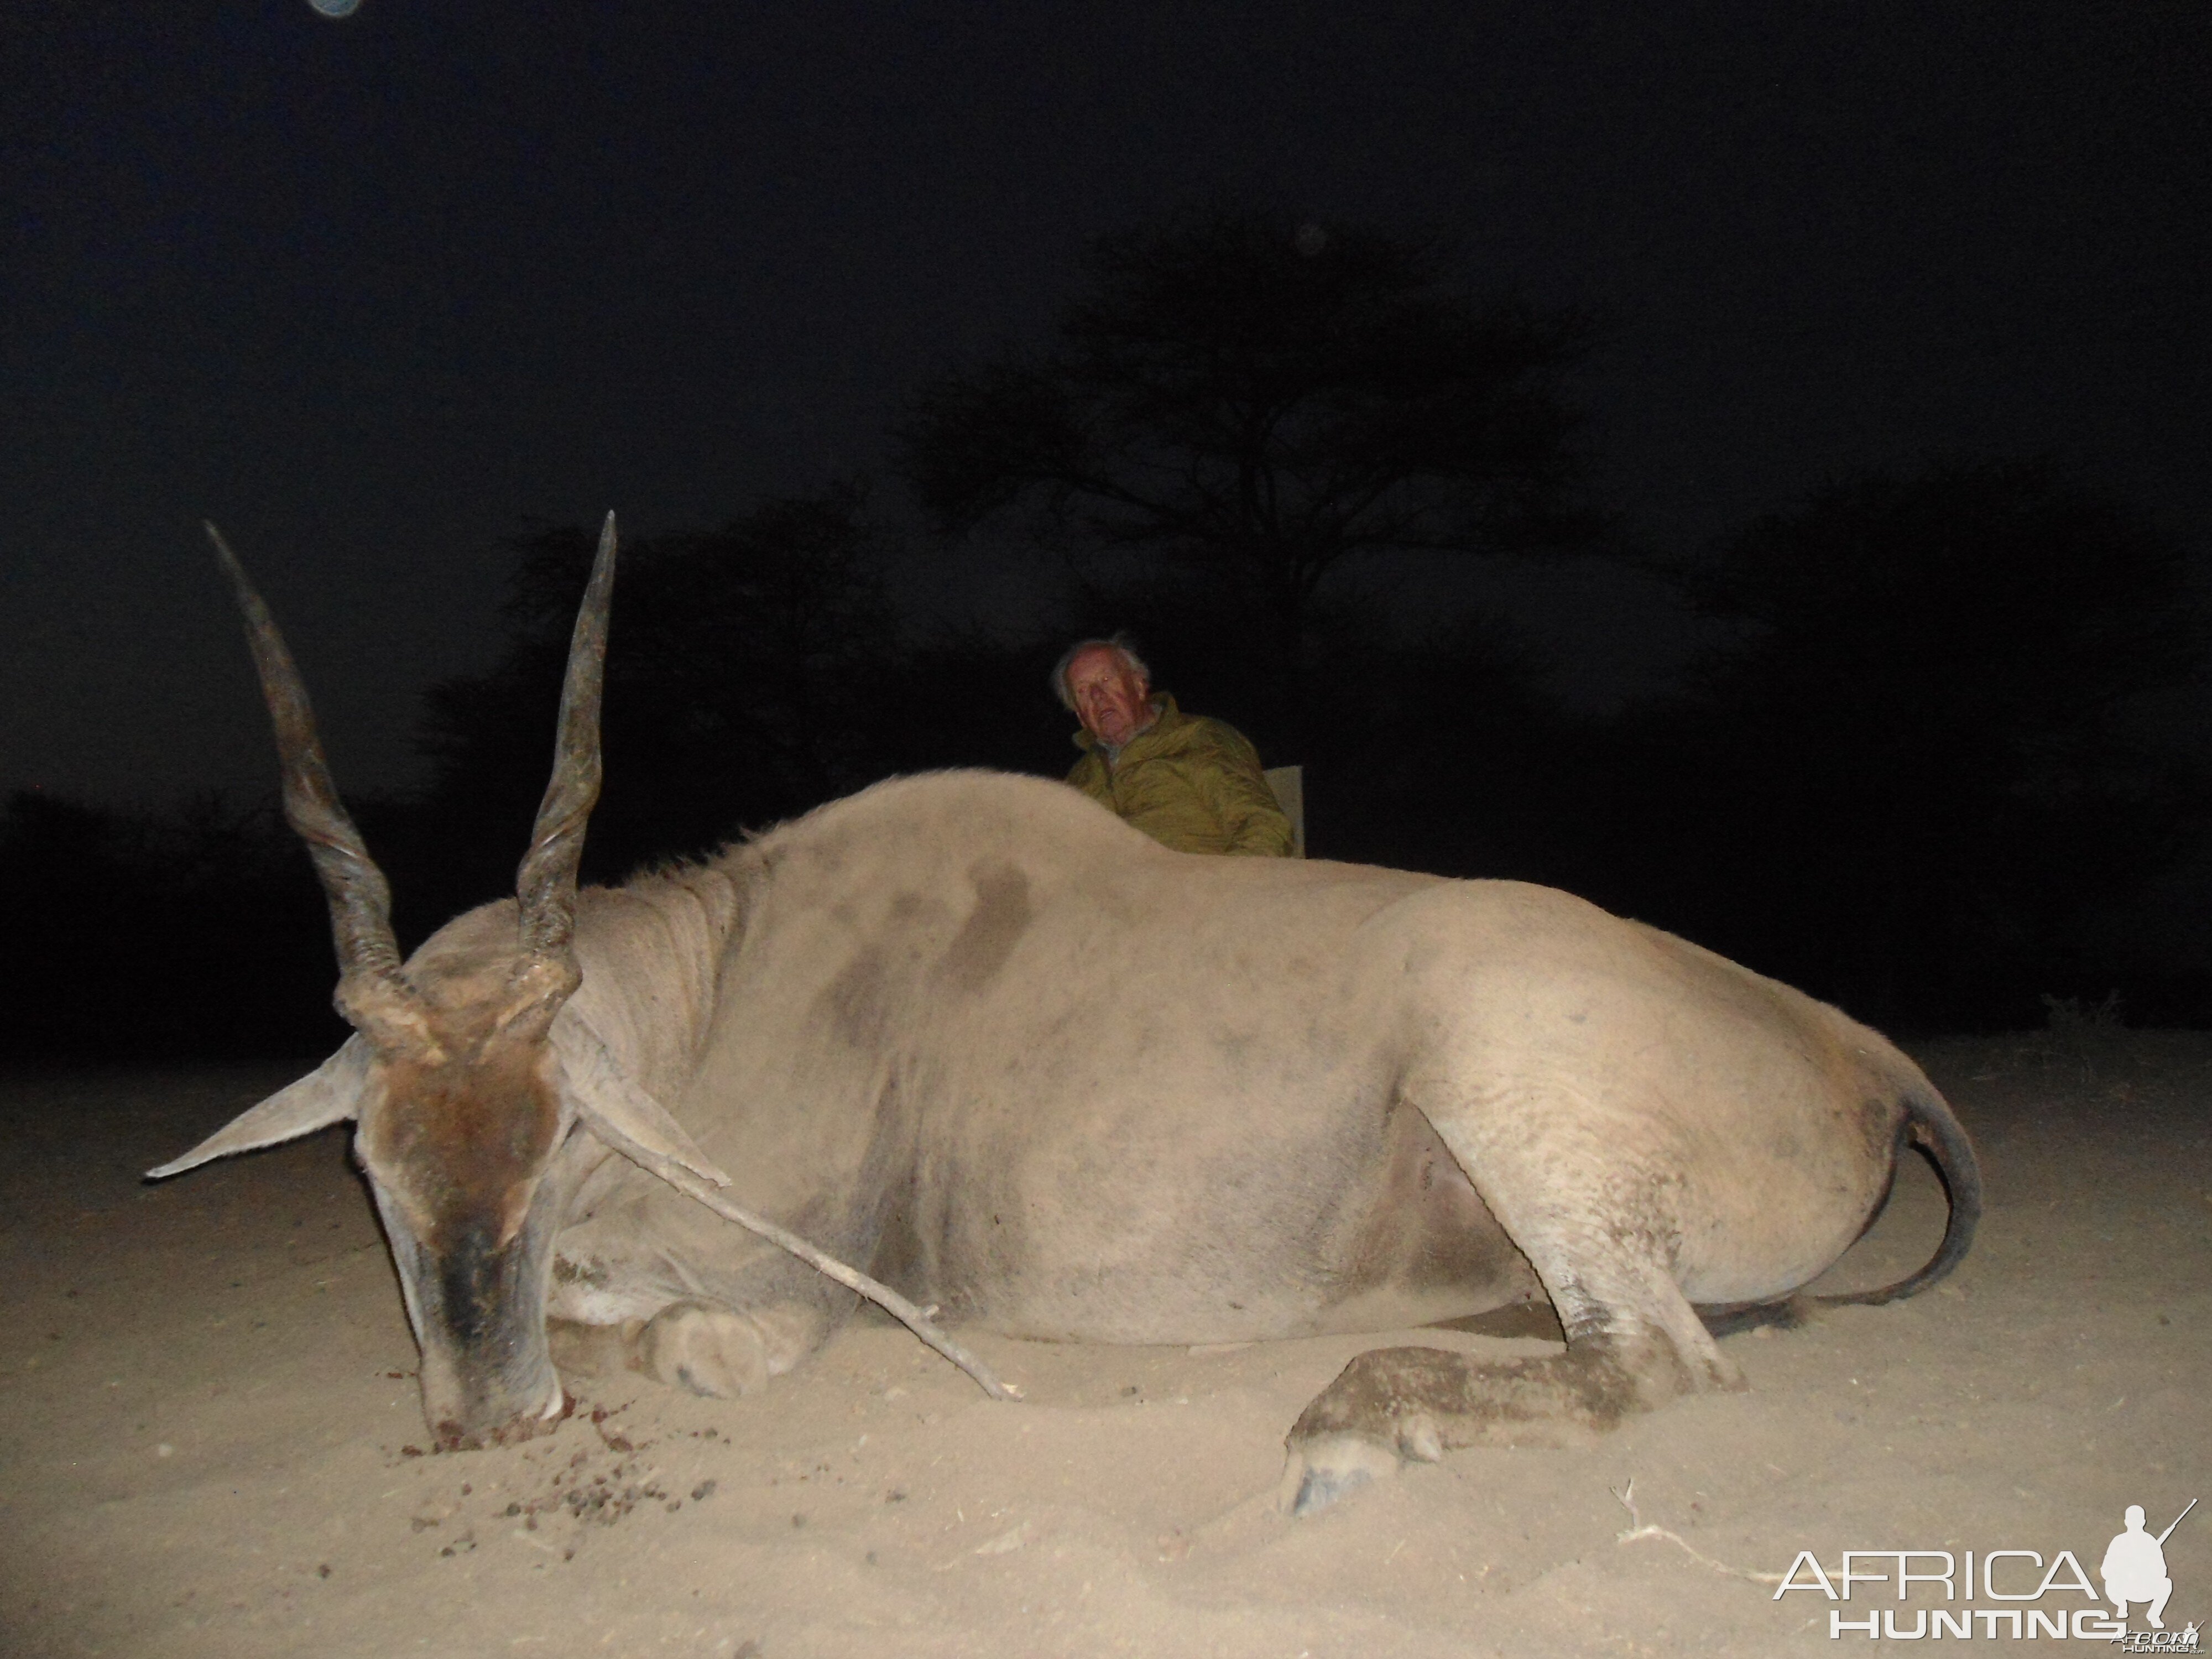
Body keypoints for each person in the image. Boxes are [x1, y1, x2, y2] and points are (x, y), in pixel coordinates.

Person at [1053, 636, 1295, 857]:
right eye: (1083, 691)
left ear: (1138, 686)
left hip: (1194, 891)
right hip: (1103, 900)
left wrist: (1220, 894)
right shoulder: (1076, 782)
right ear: (1081, 717)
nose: (1097, 695)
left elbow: (1263, 826)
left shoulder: (1199, 738)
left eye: (1106, 679)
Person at [2100, 1505, 2174, 1629]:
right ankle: (2122, 1606)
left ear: (2143, 1522)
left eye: (2137, 1520)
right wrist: (2124, 1568)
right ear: (2126, 1522)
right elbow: (2105, 1570)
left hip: (2145, 1588)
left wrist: (2146, 1566)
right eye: (2132, 1520)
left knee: (2167, 1583)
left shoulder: (2151, 1542)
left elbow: (2163, 1571)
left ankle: (2154, 1615)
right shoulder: (2118, 1541)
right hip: (2123, 1589)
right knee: (2110, 1582)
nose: (2134, 1523)